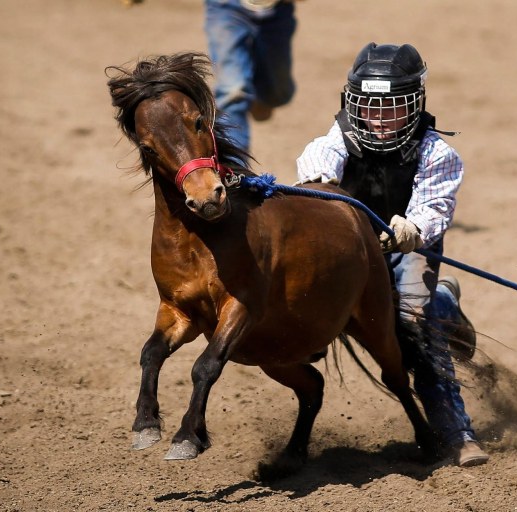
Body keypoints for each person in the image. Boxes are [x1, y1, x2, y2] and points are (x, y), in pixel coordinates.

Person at [295, 42, 488, 467]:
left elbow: (434, 209)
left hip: (407, 249)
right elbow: (317, 175)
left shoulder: (437, 152)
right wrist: (323, 192)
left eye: (393, 108)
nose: (380, 119)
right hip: (351, 249)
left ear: (415, 105)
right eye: (369, 108)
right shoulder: (334, 142)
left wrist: (412, 229)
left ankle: (457, 432)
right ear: (353, 105)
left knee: (415, 328)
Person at [204, 0, 299, 153]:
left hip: (277, 9)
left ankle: (262, 95)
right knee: (232, 91)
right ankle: (235, 167)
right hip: (225, 8)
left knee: (276, 92)